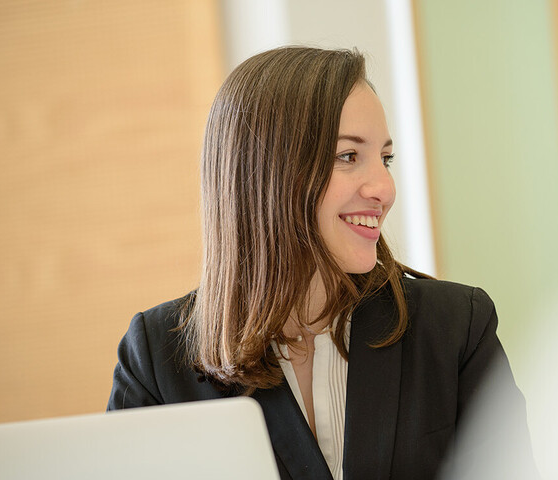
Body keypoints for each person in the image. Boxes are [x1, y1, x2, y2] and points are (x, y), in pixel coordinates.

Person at [108, 46, 536, 480]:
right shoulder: (157, 358)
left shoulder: (455, 329)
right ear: (267, 175)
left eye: (385, 159)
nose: (385, 189)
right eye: (348, 156)